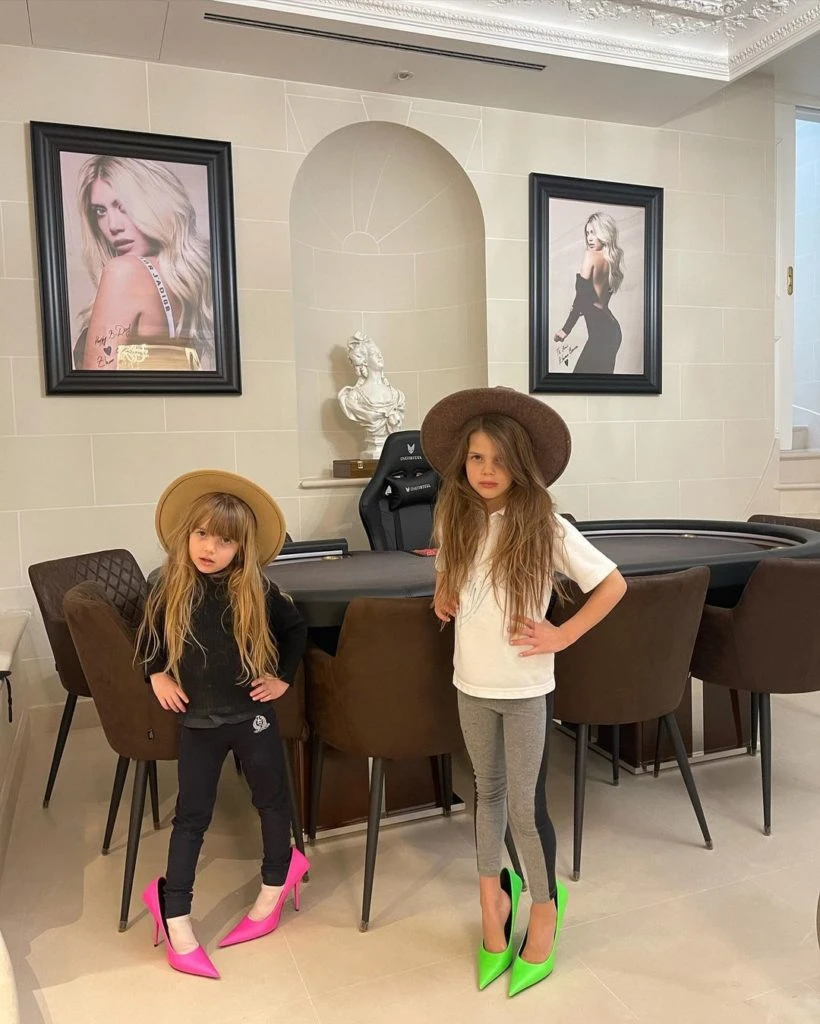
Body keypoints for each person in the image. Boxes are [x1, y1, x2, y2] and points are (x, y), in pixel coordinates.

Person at [421, 387, 626, 997]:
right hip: (470, 684)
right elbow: (449, 577)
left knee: (522, 810)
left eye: (500, 460)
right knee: (486, 797)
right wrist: (443, 594)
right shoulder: (454, 519)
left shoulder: (546, 527)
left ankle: (544, 910)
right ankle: (492, 908)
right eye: (477, 458)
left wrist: (562, 634)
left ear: (522, 465)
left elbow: (612, 585)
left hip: (525, 688)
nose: (487, 471)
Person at [137, 469, 308, 979]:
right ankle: (173, 910)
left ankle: (277, 882)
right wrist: (156, 674)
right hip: (199, 724)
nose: (210, 548)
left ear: (242, 548)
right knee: (192, 816)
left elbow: (295, 629)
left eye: (225, 540)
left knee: (271, 802)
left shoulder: (258, 589)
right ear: (187, 534)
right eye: (202, 534)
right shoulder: (167, 587)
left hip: (253, 717)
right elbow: (146, 640)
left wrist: (283, 679)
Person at [72, 155, 214, 371]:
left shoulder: (124, 272)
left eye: (122, 206)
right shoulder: (185, 284)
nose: (113, 226)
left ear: (154, 204)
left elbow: (96, 382)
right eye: (100, 211)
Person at [554, 212, 624, 374]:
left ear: (604, 233)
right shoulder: (611, 258)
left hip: (601, 334)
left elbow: (581, 299)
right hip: (611, 331)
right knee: (599, 384)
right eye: (587, 233)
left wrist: (566, 329)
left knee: (581, 381)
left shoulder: (590, 256)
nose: (590, 238)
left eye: (594, 232)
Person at [337, 330, 406, 459]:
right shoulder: (353, 397)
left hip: (392, 453)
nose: (380, 356)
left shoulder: (397, 396)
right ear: (364, 361)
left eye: (380, 354)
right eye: (375, 354)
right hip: (374, 451)